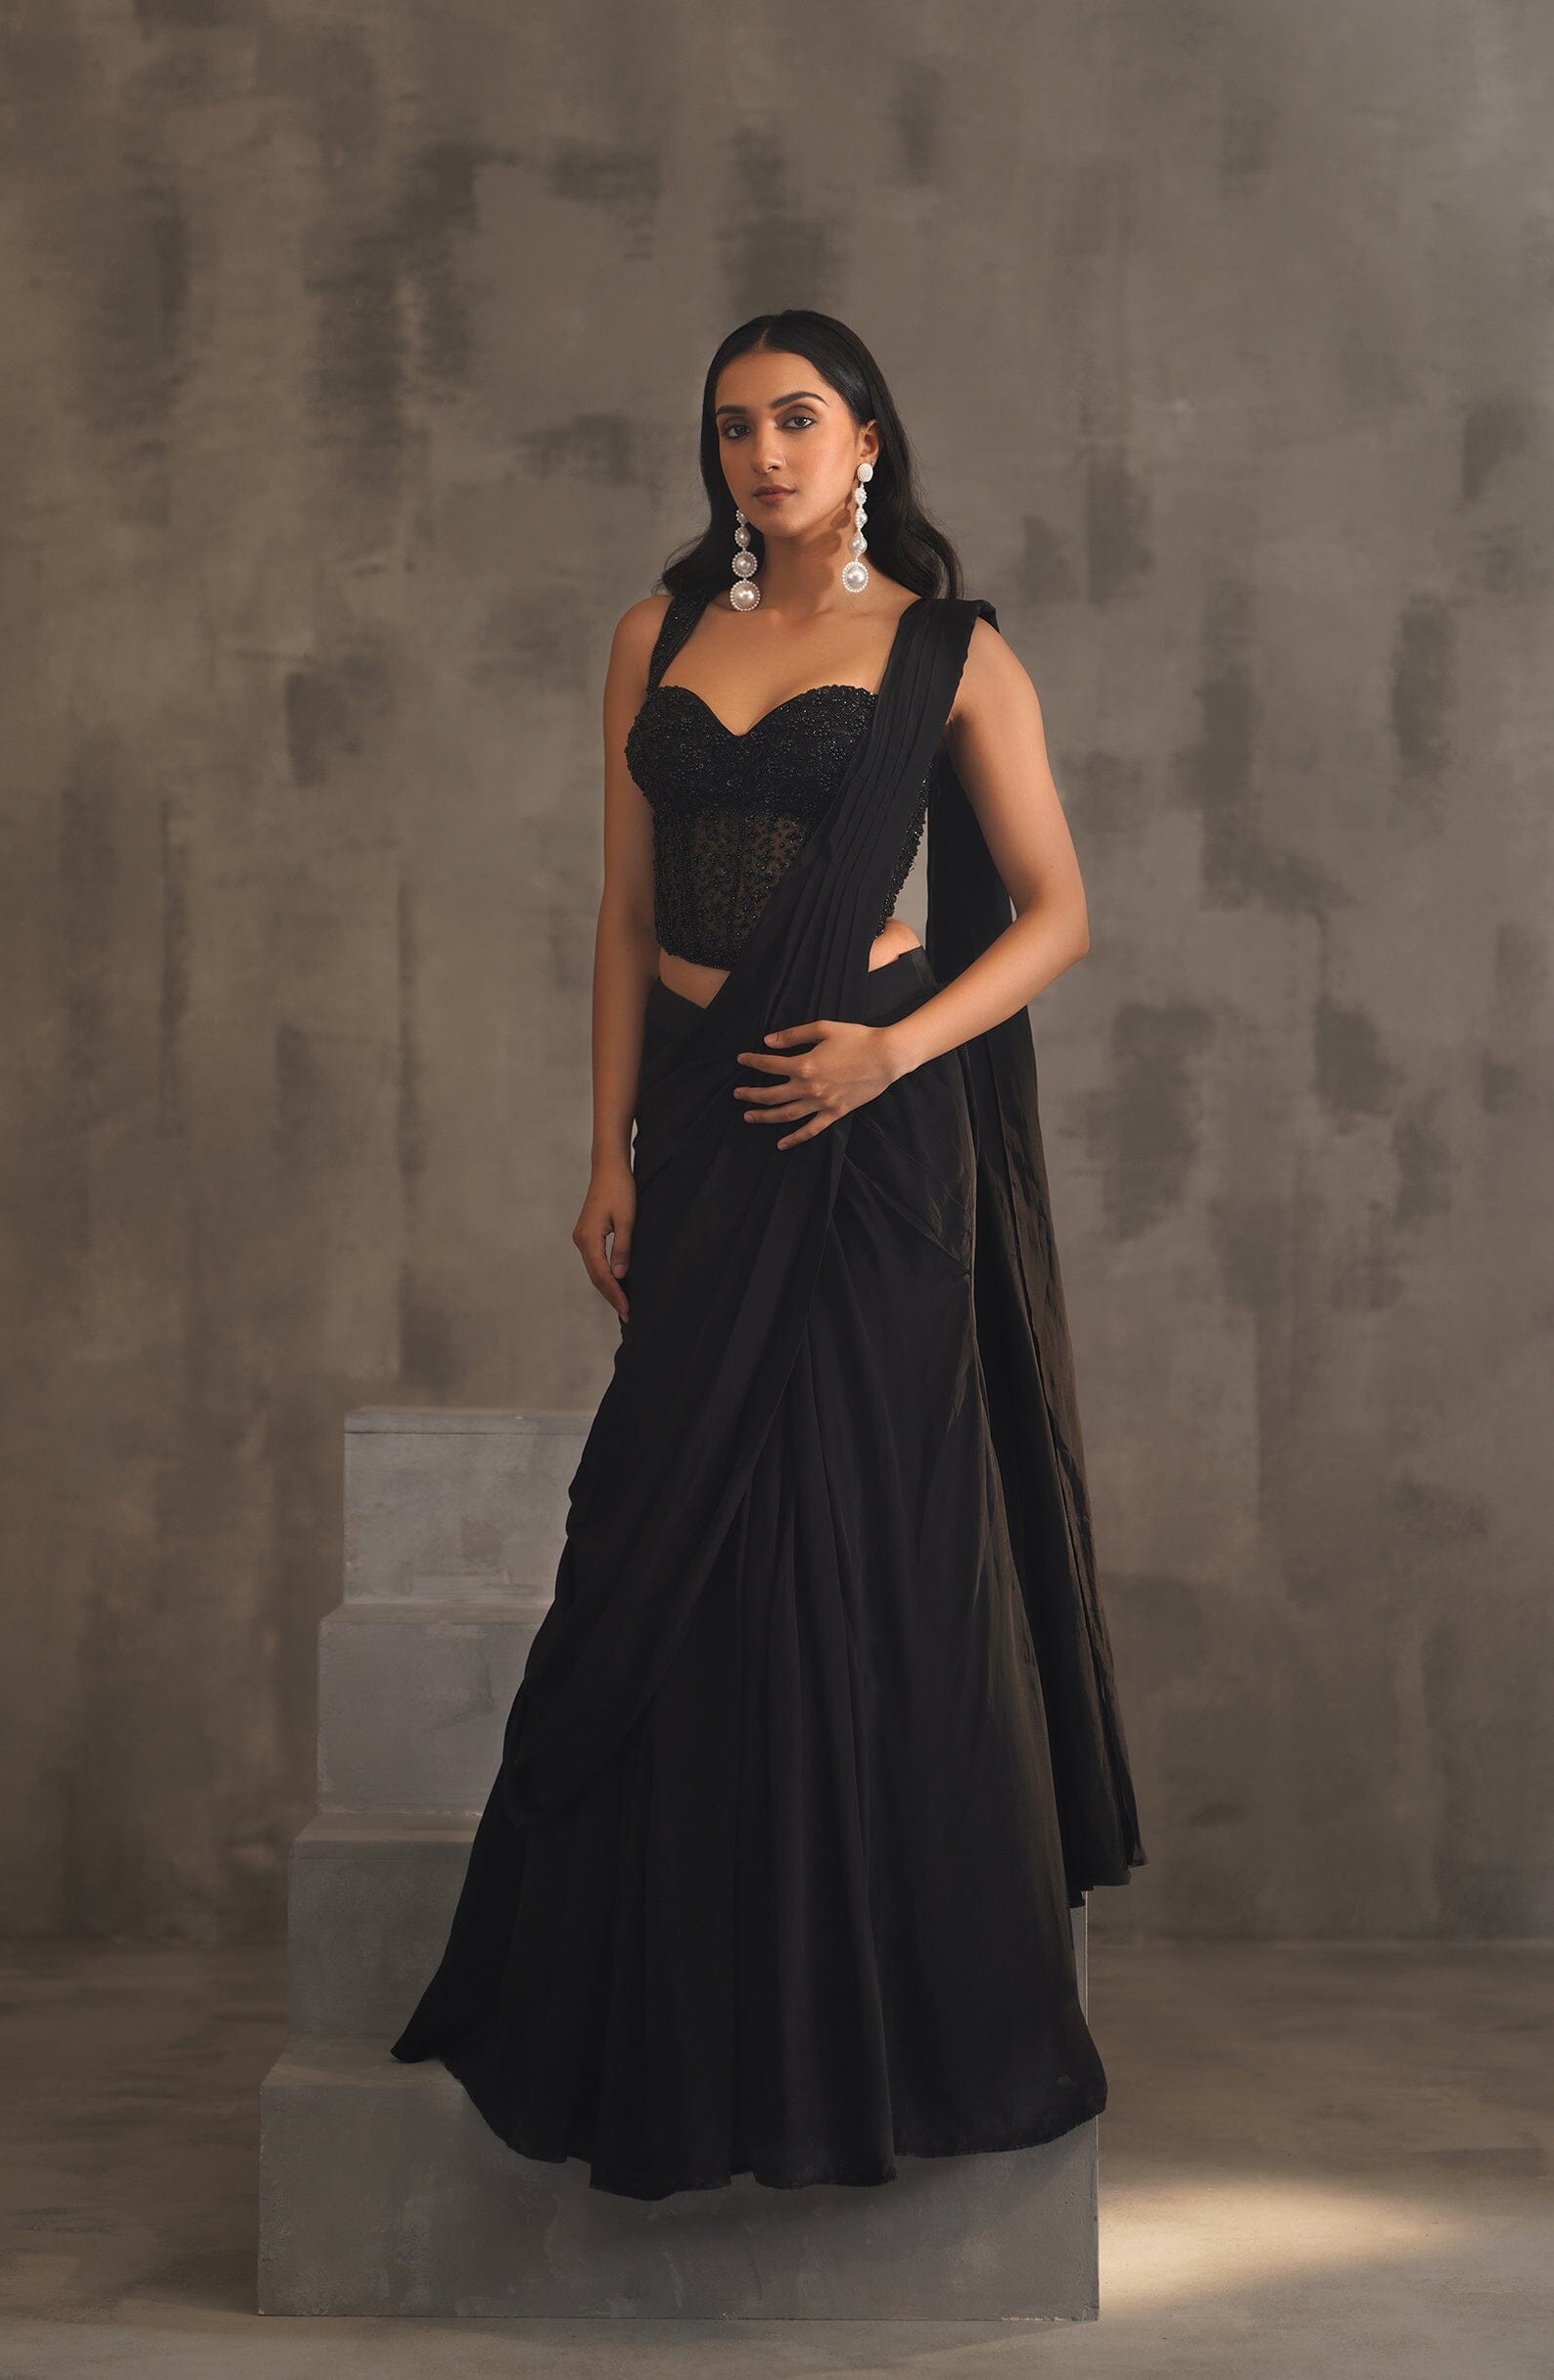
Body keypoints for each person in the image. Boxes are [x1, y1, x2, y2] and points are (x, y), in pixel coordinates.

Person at [390, 308, 1146, 2201]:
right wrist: (608, 1146)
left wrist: (895, 1048)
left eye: (798, 419)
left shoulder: (949, 654)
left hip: (872, 1128)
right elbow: (623, 909)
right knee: (668, 1530)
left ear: (867, 437)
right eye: (734, 427)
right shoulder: (657, 633)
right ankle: (671, 2008)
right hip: (703, 1119)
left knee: (872, 1536)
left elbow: (1056, 911)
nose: (764, 454)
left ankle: (878, 2024)